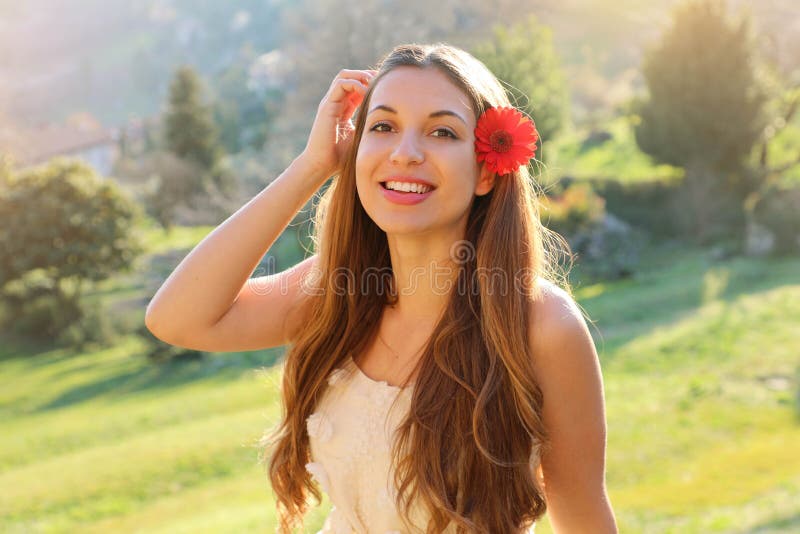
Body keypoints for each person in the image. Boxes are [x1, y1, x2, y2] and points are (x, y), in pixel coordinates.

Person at [145, 43, 617, 534]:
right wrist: (312, 165)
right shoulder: (337, 289)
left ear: (484, 171)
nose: (405, 153)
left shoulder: (541, 324)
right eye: (383, 126)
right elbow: (176, 318)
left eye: (441, 132)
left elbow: (582, 515)